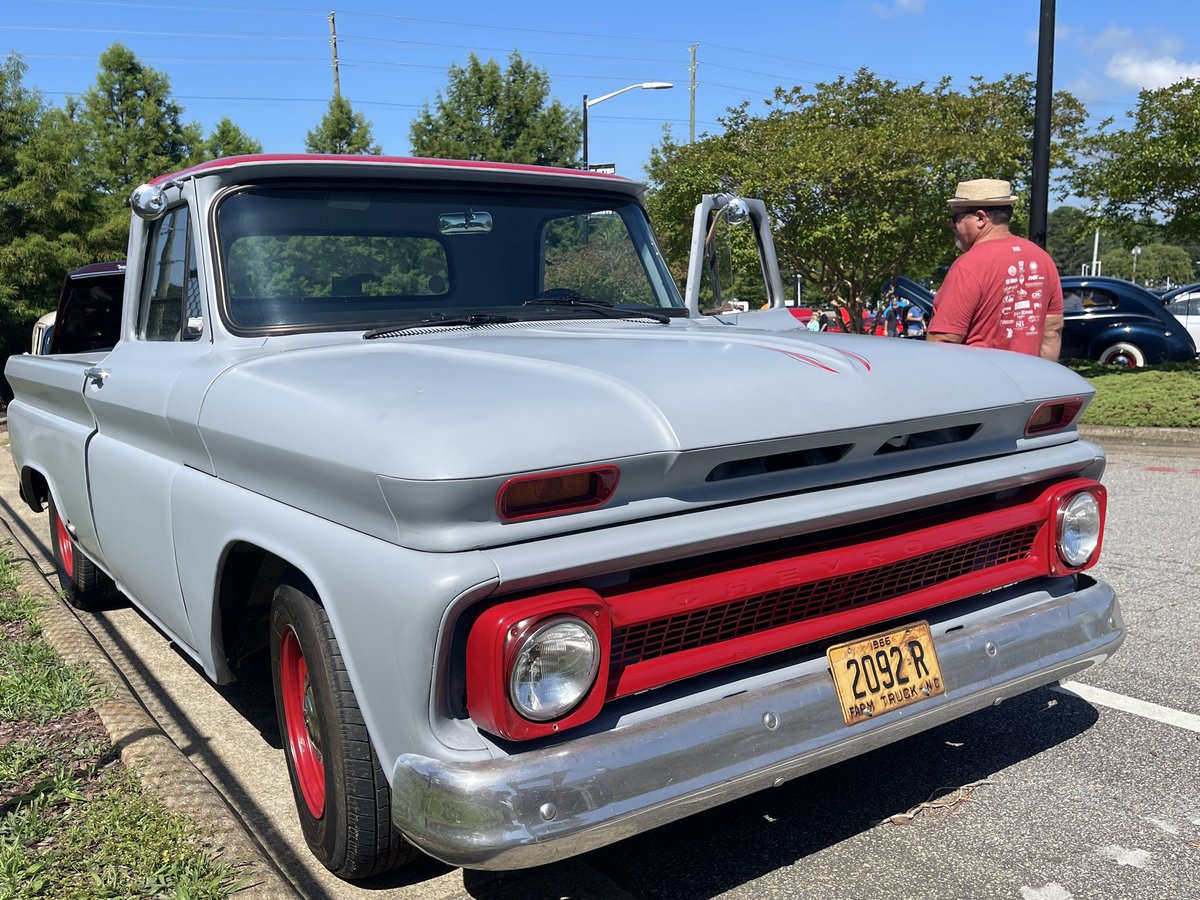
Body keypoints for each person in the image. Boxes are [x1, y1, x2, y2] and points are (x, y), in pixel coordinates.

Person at [928, 178, 1064, 360]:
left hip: (980, 383)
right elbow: (1052, 330)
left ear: (980, 218)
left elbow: (942, 341)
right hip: (1029, 383)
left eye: (956, 218)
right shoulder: (1043, 259)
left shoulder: (968, 265)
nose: (952, 225)